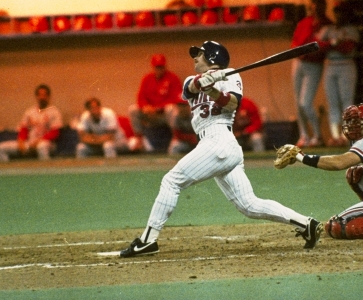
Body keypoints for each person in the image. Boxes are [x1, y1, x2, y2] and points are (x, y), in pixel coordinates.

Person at [119, 40, 323, 257]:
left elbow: (233, 104)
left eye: (199, 54)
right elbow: (189, 89)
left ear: (212, 58)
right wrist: (203, 82)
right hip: (213, 144)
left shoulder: (232, 76)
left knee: (171, 181)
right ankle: (306, 223)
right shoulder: (191, 78)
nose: (195, 58)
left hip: (220, 140)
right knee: (249, 206)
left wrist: (214, 90)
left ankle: (147, 240)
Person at [276, 104, 363, 240]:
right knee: (355, 174)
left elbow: (339, 163)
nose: (351, 126)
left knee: (335, 226)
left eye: (357, 122)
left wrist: (301, 157)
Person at [291, 0, 333, 147]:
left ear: (324, 4)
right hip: (298, 62)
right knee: (297, 102)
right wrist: (298, 50)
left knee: (305, 102)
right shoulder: (304, 22)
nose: (316, 5)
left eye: (319, 2)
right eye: (314, 2)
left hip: (314, 65)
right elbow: (295, 42)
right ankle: (304, 135)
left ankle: (317, 135)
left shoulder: (327, 24)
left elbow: (325, 46)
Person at [316, 0, 360, 147]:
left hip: (346, 64)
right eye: (336, 11)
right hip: (331, 65)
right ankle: (335, 136)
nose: (338, 14)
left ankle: (345, 135)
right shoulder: (328, 29)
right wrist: (334, 43)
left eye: (341, 11)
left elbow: (347, 48)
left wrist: (331, 44)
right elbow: (319, 46)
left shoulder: (352, 29)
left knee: (346, 102)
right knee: (332, 103)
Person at [128, 53, 183, 152]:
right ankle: (139, 139)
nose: (159, 69)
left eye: (161, 67)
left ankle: (176, 138)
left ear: (165, 66)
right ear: (153, 67)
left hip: (164, 115)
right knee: (133, 109)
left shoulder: (173, 78)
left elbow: (176, 99)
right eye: (157, 67)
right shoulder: (147, 79)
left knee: (171, 108)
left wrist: (157, 108)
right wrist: (145, 106)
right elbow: (141, 97)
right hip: (150, 114)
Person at [0, 84, 63, 162]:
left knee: (41, 147)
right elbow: (24, 129)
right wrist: (21, 141)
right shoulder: (30, 112)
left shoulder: (54, 112)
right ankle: (7, 172)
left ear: (48, 97)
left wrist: (39, 141)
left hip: (47, 143)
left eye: (44, 95)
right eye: (40, 95)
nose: (42, 97)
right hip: (30, 143)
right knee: (2, 147)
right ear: (36, 97)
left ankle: (46, 171)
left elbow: (55, 133)